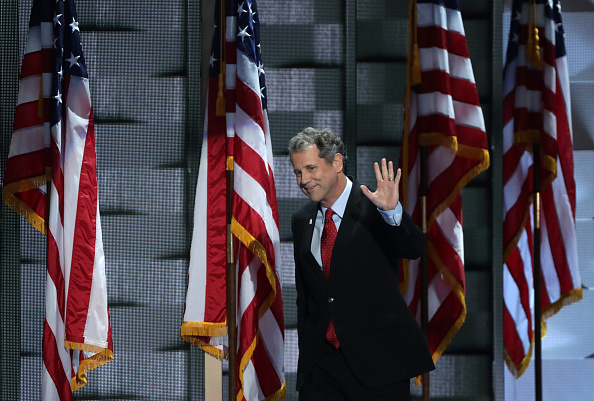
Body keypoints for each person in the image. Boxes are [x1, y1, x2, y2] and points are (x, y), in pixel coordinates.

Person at [289, 127, 435, 401]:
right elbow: (305, 297)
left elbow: (414, 248)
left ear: (337, 162)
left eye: (310, 168)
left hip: (378, 363)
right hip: (321, 367)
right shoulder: (301, 220)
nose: (304, 180)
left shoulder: (375, 206)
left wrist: (392, 213)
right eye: (298, 172)